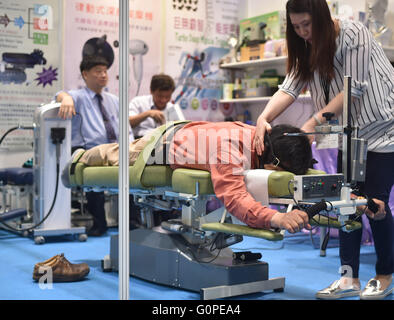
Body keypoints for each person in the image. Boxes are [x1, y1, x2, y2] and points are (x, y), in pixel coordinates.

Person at [253, 0, 393, 300]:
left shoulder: (354, 34)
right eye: (297, 27)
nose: (303, 32)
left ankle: (383, 275)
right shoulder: (304, 47)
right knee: (347, 204)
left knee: (375, 204)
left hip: (383, 130)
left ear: (323, 17)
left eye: (308, 25)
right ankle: (348, 278)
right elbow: (289, 87)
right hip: (348, 134)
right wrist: (264, 117)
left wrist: (312, 123)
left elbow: (353, 88)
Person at [63, 121, 317, 234]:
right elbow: (235, 198)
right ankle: (80, 161)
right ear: (271, 160)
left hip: (192, 133)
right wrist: (276, 217)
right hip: (162, 145)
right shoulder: (230, 151)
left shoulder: (263, 138)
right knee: (116, 154)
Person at [56, 55, 134, 236]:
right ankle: (100, 224)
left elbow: (126, 128)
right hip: (91, 149)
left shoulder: (114, 100)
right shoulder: (78, 97)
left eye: (105, 71)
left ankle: (130, 223)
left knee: (131, 175)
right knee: (92, 168)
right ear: (85, 74)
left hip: (116, 148)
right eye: (98, 71)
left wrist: (130, 146)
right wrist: (66, 99)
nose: (103, 75)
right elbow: (59, 95)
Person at [129, 74, 185, 139]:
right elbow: (127, 123)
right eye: (160, 96)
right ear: (151, 91)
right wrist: (147, 114)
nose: (163, 100)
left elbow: (184, 130)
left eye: (167, 97)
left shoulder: (172, 108)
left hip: (164, 143)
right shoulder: (138, 102)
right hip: (140, 141)